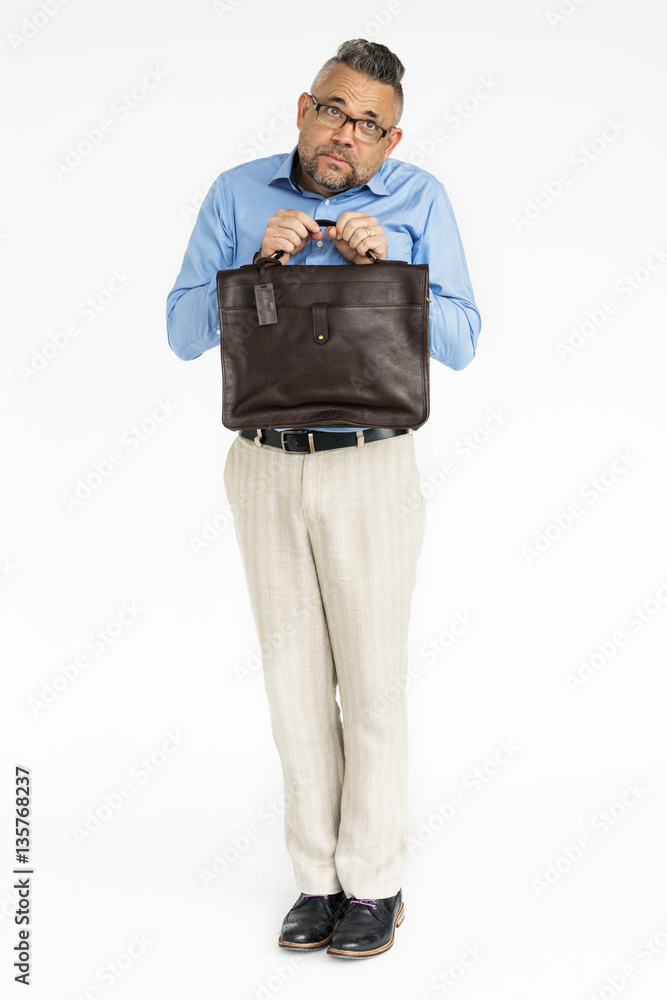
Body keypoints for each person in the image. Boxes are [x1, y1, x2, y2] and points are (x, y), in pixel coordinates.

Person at [166, 38, 481, 960]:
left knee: (373, 688)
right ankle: (317, 878)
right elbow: (182, 332)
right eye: (334, 112)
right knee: (292, 686)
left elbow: (462, 342)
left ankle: (374, 884)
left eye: (369, 125)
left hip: (369, 469)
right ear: (302, 108)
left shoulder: (420, 200)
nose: (348, 134)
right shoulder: (236, 193)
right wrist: (250, 266)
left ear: (391, 141)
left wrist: (391, 275)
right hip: (264, 465)